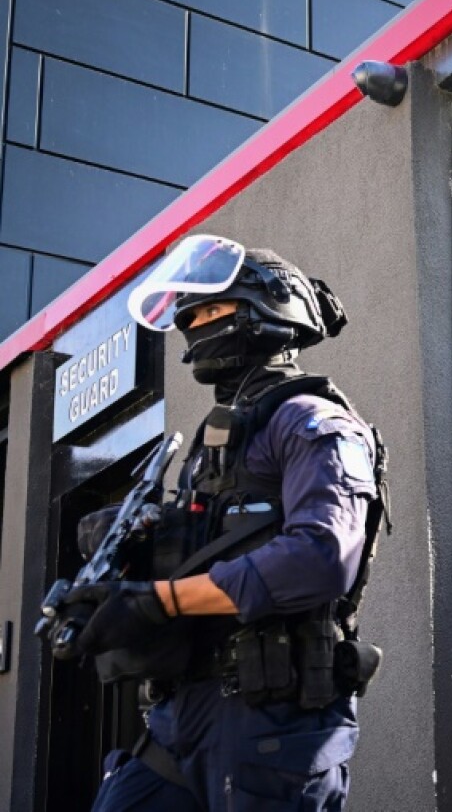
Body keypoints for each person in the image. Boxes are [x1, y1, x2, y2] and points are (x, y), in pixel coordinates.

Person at [62, 235, 386, 811]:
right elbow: (208, 551)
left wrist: (162, 600)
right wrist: (133, 565)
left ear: (268, 308)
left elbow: (321, 557)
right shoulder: (213, 446)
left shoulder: (313, 421)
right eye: (189, 315)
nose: (197, 324)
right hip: (180, 712)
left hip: (273, 720)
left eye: (213, 308)